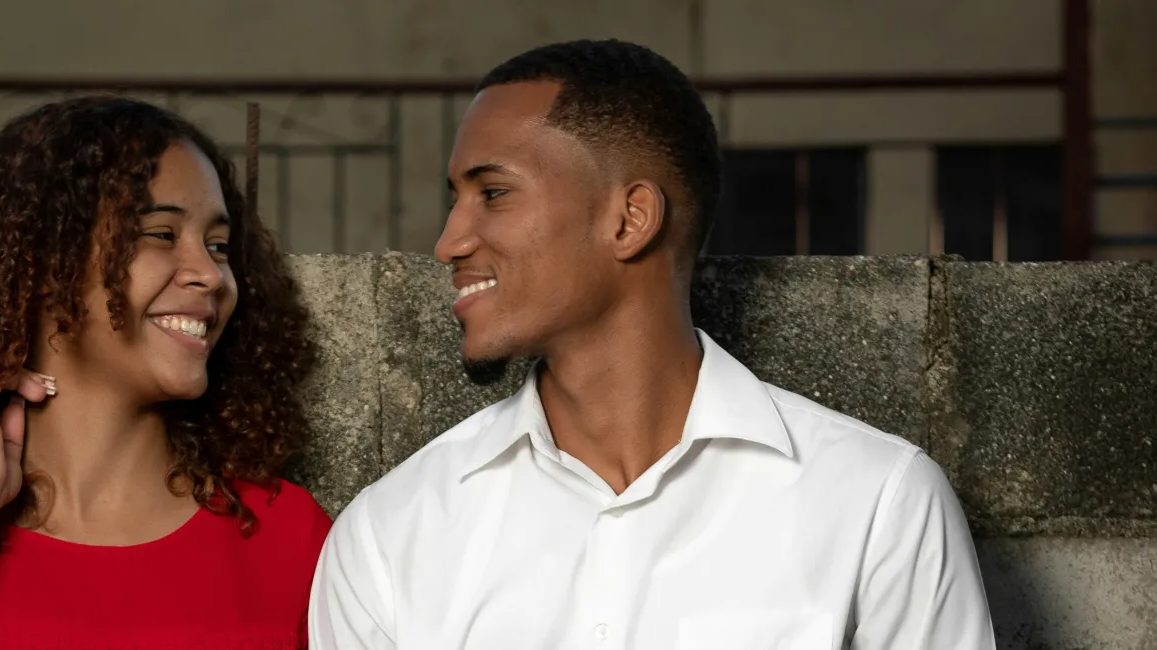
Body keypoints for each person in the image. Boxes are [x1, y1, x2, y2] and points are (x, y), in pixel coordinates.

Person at [309, 39, 995, 648]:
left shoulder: (877, 505)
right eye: (455, 199)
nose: (449, 241)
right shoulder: (388, 536)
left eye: (493, 193)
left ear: (630, 219)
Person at [0, 96, 331, 649]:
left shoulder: (287, 536)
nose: (211, 276)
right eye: (162, 235)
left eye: (218, 247)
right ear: (47, 261)